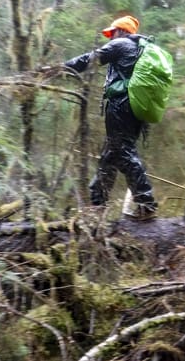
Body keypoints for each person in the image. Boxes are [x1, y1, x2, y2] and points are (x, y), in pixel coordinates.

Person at [64, 15, 157, 220]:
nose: (110, 37)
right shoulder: (138, 49)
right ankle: (97, 205)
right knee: (110, 155)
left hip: (121, 105)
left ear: (120, 31)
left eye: (112, 33)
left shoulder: (122, 44)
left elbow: (90, 59)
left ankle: (146, 203)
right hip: (134, 107)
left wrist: (63, 68)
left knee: (123, 152)